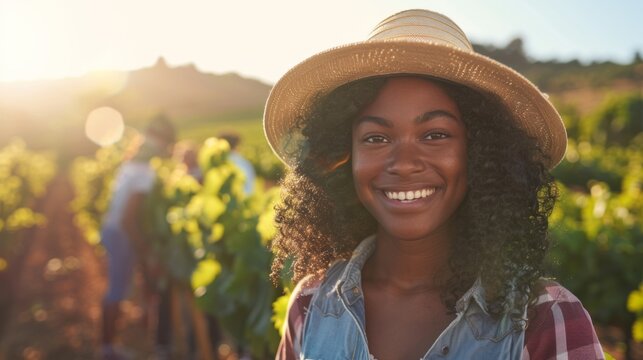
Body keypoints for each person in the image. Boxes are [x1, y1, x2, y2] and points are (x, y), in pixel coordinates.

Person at [264, 9, 604, 360]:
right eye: (376, 138)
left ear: (481, 153)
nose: (404, 163)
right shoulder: (309, 305)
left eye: (435, 134)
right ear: (344, 157)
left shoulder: (546, 320)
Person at [100, 115, 176, 360]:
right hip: (121, 234)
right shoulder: (145, 172)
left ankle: (108, 345)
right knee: (117, 290)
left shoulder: (131, 164)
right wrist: (144, 250)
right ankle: (108, 349)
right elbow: (128, 218)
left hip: (112, 230)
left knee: (117, 288)